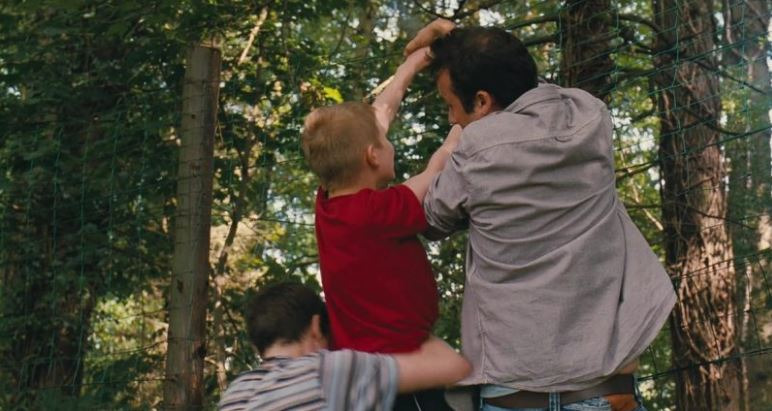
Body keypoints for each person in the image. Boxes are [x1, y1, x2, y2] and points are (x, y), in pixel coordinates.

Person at [404, 19, 677, 411]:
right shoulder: (591, 117)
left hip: (515, 392)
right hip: (603, 387)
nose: (452, 120)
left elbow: (430, 219)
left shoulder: (475, 148)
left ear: (481, 101)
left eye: (451, 106)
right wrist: (459, 40)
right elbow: (526, 85)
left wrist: (446, 155)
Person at [300, 47, 462, 410]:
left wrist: (413, 64)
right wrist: (462, 124)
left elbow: (379, 115)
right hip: (399, 376)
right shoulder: (379, 212)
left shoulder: (327, 203)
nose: (390, 142)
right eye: (385, 141)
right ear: (372, 155)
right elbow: (438, 167)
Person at [218, 282, 471, 411]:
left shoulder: (235, 393)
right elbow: (453, 367)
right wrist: (397, 327)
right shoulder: (324, 371)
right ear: (316, 327)